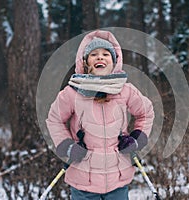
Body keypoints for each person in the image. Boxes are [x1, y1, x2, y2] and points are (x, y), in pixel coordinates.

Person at [46, 30, 154, 200]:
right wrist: (67, 145)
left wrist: (136, 138)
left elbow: (145, 113)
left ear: (114, 61)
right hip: (83, 181)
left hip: (117, 179)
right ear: (85, 62)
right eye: (94, 54)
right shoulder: (72, 93)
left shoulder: (125, 90)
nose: (100, 57)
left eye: (106, 54)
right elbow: (55, 119)